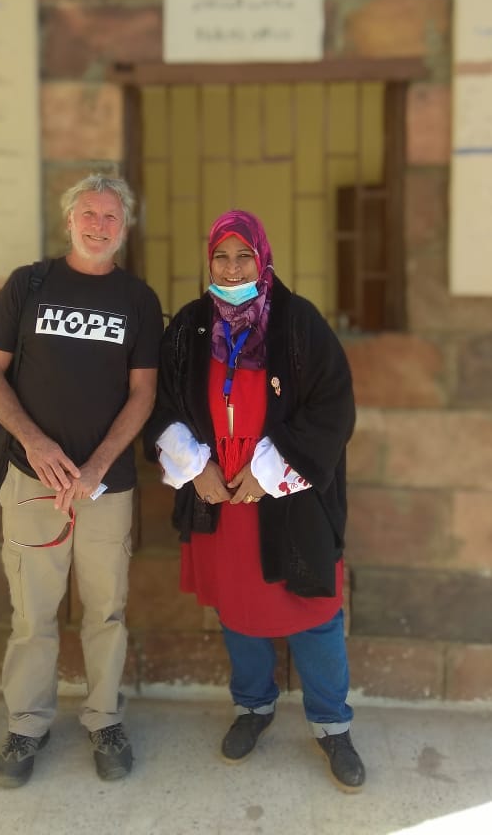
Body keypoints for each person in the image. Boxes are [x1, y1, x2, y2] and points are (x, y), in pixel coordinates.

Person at [144, 210, 365, 793]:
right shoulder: (189, 326)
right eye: (221, 257)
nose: (232, 268)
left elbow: (334, 406)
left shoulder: (298, 323)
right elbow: (162, 404)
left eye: (244, 256)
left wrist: (271, 472)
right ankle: (252, 708)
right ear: (209, 261)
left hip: (288, 496)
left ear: (262, 258)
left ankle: (332, 724)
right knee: (238, 612)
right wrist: (196, 467)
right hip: (220, 497)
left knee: (314, 613)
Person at [0, 174, 163, 789]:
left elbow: (143, 392)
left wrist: (100, 463)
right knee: (33, 613)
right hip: (32, 479)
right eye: (89, 213)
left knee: (106, 611)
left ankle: (105, 719)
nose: (98, 225)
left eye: (111, 216)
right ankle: (26, 726)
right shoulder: (29, 285)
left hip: (106, 486)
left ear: (124, 228)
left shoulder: (138, 299)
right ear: (68, 220)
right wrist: (36, 442)